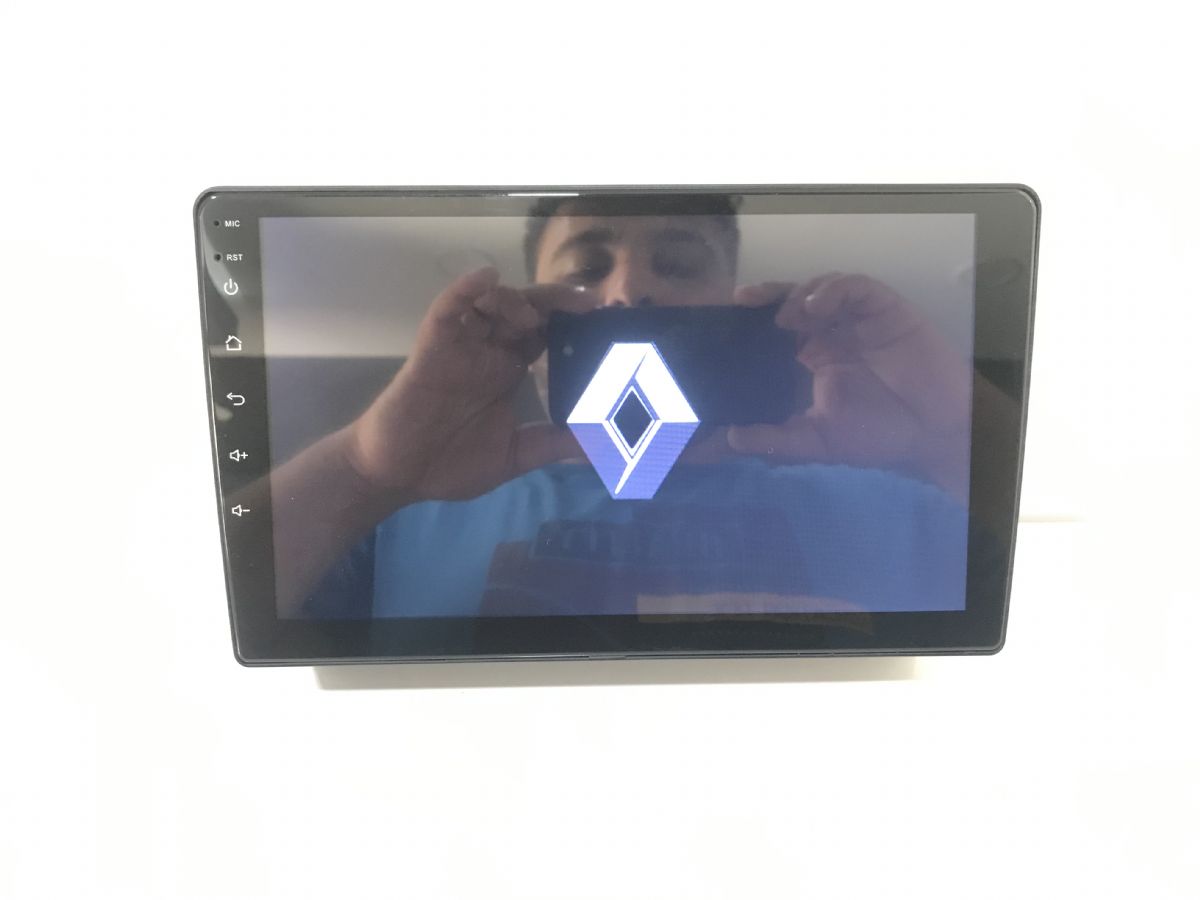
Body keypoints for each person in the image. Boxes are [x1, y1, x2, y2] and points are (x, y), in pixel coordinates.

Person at [251, 196, 981, 618]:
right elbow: (200, 618)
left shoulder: (905, 510)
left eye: (680, 264)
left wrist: (952, 435)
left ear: (734, 301)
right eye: (585, 269)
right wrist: (361, 472)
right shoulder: (397, 520)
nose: (631, 289)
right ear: (537, 332)